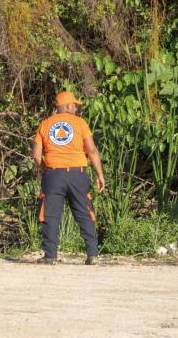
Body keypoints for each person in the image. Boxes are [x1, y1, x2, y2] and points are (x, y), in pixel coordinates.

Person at [31, 91, 105, 265]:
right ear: (67, 106)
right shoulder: (80, 123)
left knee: (51, 215)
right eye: (74, 106)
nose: (76, 109)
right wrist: (100, 175)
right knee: (84, 213)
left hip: (53, 174)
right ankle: (92, 255)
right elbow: (92, 150)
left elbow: (36, 155)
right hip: (77, 174)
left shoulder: (45, 124)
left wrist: (45, 169)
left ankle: (50, 256)